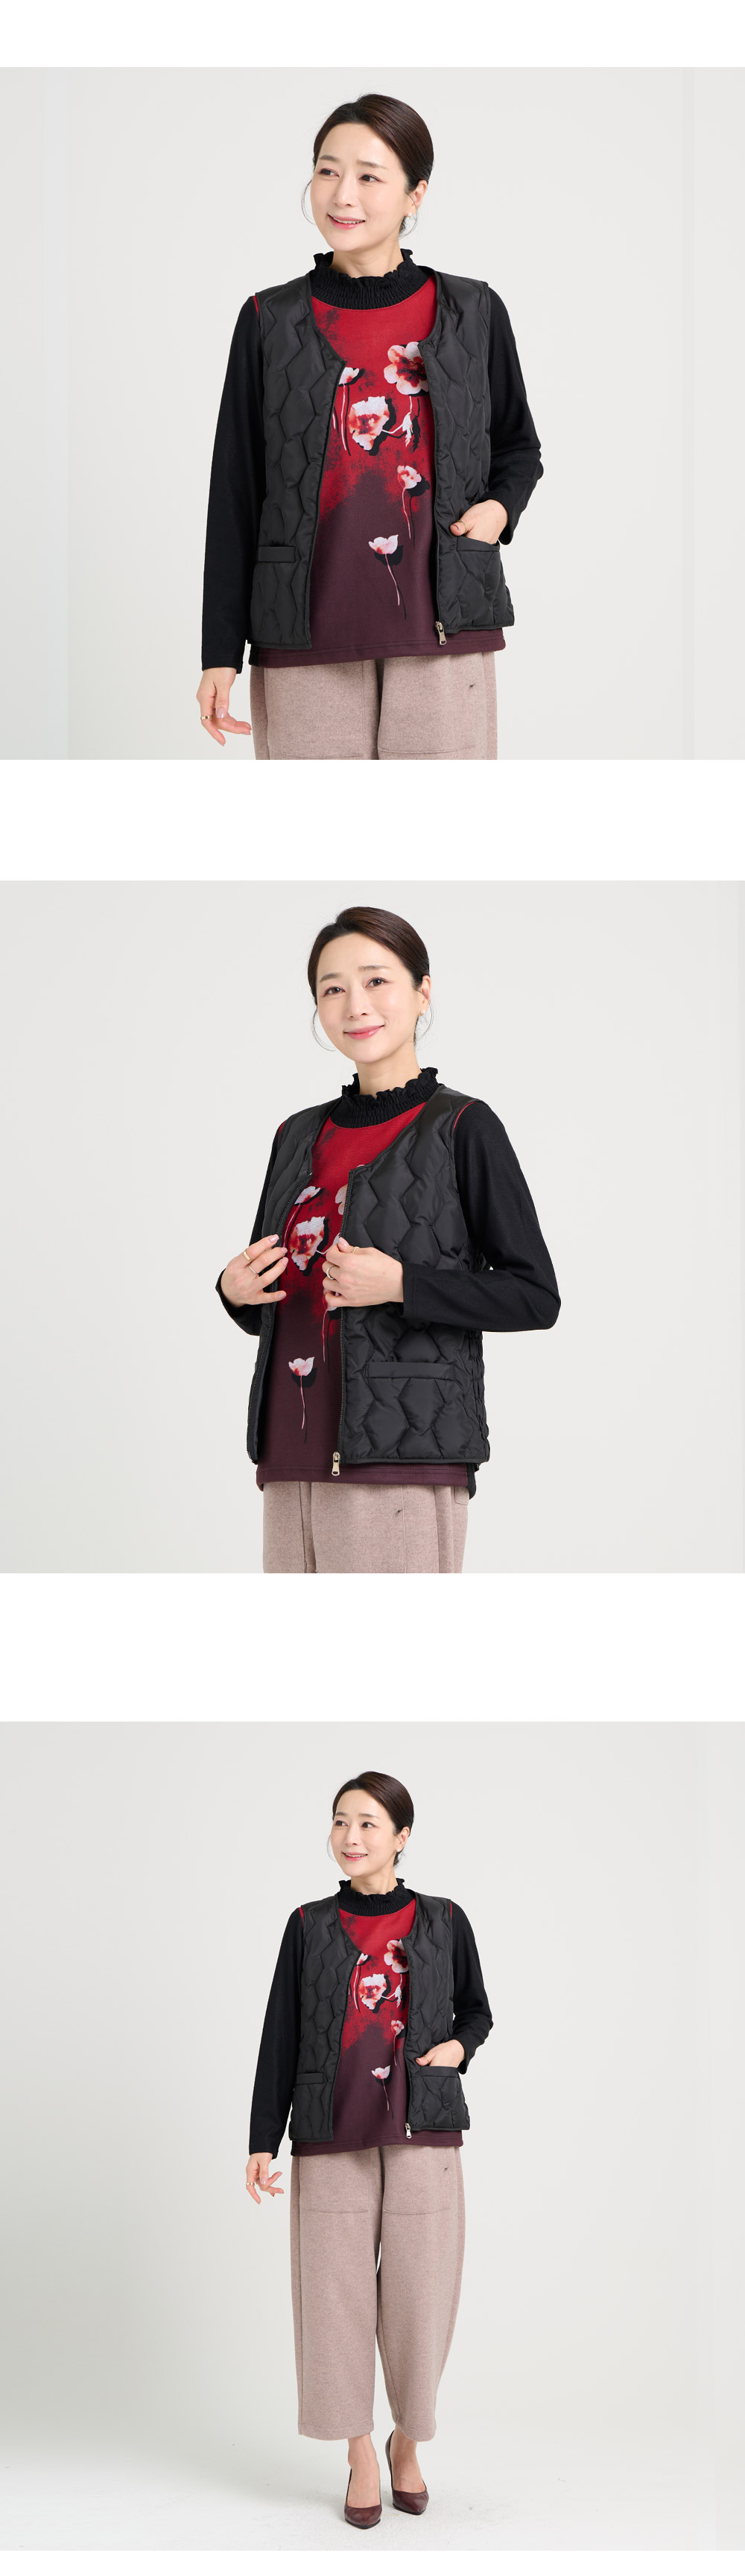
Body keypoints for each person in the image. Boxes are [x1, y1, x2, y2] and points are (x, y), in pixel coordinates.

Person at [198, 92, 542, 761]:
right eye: (327, 171)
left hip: (444, 633)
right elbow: (235, 491)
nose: (342, 195)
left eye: (369, 176)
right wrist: (219, 651)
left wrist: (500, 509)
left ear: (415, 195)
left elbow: (518, 446)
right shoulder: (268, 320)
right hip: (304, 637)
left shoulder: (473, 311)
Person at [217, 905, 560, 1573]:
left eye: (376, 980)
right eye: (333, 988)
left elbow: (534, 1296)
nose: (355, 1004)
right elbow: (277, 1302)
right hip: (290, 1453)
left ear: (422, 992)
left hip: (401, 1460)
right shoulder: (295, 1135)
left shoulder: (463, 1126)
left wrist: (404, 1285)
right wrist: (234, 1291)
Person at [245, 1768, 492, 2525]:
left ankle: (406, 2441)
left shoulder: (445, 1919)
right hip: (331, 2134)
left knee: (422, 2298)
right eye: (340, 1821)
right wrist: (261, 2139)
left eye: (367, 1824)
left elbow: (476, 2011)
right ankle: (357, 2449)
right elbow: (281, 2034)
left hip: (425, 2132)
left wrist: (457, 2048)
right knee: (333, 2301)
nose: (350, 1837)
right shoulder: (307, 1924)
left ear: (401, 1836)